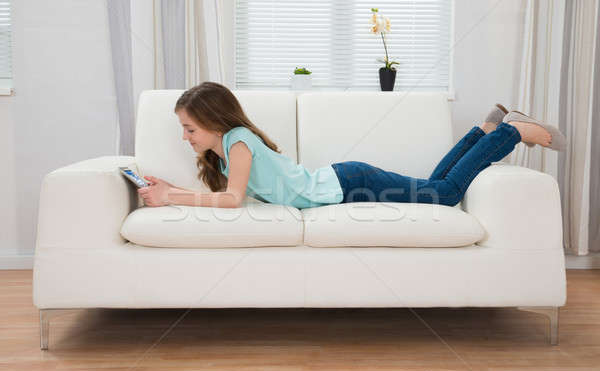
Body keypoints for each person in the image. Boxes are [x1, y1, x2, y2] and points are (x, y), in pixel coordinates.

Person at [137, 82, 567, 209]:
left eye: (190, 129)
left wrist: (170, 197)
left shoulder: (238, 142)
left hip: (347, 183)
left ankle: (513, 132)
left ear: (214, 123)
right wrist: (165, 185)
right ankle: (485, 132)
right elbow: (227, 194)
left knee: (446, 195)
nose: (185, 138)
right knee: (435, 187)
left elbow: (231, 201)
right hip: (345, 179)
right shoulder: (229, 148)